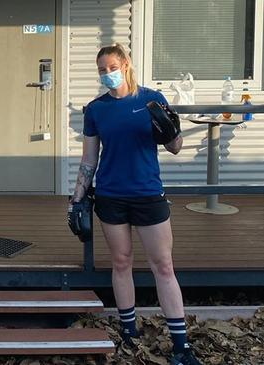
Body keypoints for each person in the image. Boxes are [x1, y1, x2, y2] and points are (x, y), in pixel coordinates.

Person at [70, 44, 202, 365]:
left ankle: (180, 345)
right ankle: (129, 331)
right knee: (121, 262)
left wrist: (170, 129)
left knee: (164, 266)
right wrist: (76, 199)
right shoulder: (96, 109)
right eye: (101, 70)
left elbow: (175, 146)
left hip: (147, 193)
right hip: (111, 195)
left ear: (126, 64)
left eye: (111, 67)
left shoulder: (152, 100)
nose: (107, 74)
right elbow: (89, 159)